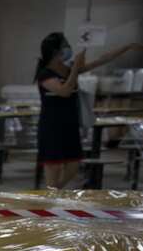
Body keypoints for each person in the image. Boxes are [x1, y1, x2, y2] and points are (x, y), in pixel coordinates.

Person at [34, 33, 141, 188]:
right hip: (52, 127)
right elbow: (65, 91)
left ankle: (55, 192)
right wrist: (76, 68)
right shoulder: (45, 75)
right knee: (54, 166)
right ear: (55, 51)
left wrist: (126, 47)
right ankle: (51, 199)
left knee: (74, 164)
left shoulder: (68, 68)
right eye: (65, 45)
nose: (68, 48)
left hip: (70, 125)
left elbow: (102, 59)